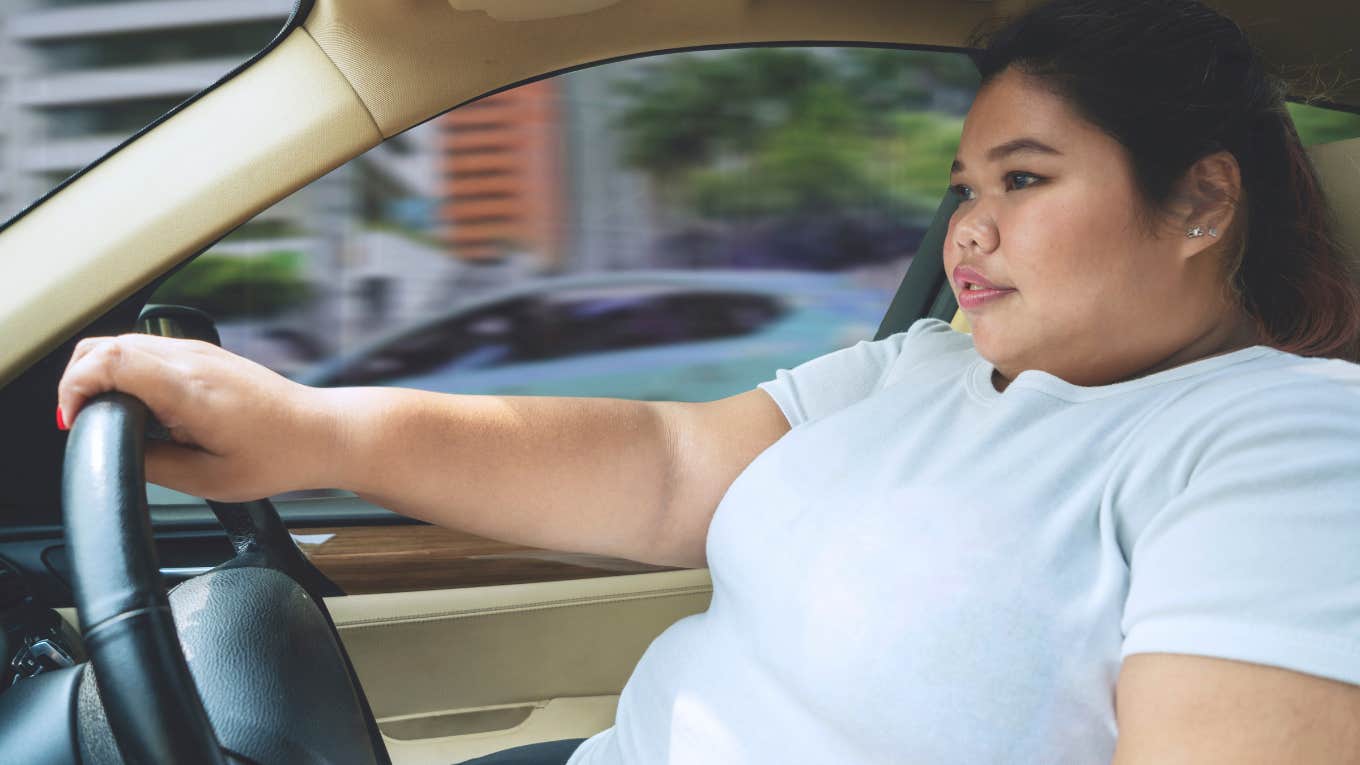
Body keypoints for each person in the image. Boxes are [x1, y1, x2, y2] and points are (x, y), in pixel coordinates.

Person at [55, 0, 1360, 762]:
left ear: (1199, 201)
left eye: (1022, 179)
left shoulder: (1281, 443)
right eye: (964, 187)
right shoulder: (919, 369)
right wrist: (298, 425)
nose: (969, 229)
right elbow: (668, 467)